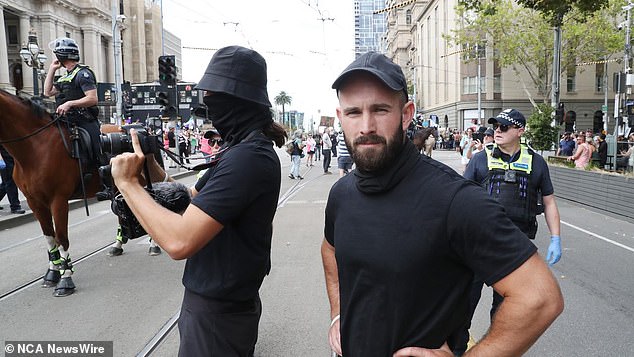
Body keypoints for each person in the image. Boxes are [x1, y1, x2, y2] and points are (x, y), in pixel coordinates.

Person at [321, 52, 563, 356]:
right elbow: (330, 249)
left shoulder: (455, 200)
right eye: (354, 112)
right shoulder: (341, 194)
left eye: (380, 110)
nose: (366, 125)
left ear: (406, 114)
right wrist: (338, 314)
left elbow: (540, 297)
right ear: (341, 117)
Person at [110, 45, 287, 356]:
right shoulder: (240, 149)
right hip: (217, 308)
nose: (210, 107)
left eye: (215, 99)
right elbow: (191, 198)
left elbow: (179, 242)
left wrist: (127, 184)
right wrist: (151, 164)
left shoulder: (249, 158)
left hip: (218, 316)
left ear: (238, 100)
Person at [455, 108, 563, 355]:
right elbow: (460, 198)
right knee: (463, 306)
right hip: (476, 246)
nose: (497, 131)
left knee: (508, 312)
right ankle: (457, 349)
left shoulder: (536, 163)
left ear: (520, 131)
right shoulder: (480, 159)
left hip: (513, 250)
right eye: (496, 127)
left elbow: (548, 202)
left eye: (504, 127)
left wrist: (556, 237)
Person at [43, 37, 101, 165]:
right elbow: (47, 92)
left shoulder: (82, 74)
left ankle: (102, 174)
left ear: (60, 55)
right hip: (66, 120)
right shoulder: (66, 76)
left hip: (84, 120)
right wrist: (52, 69)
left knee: (96, 148)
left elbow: (92, 98)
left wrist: (69, 103)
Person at [0, 146, 26, 214]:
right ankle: (15, 207)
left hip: (11, 157)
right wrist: (1, 160)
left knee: (6, 183)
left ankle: (15, 206)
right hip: (4, 159)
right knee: (10, 182)